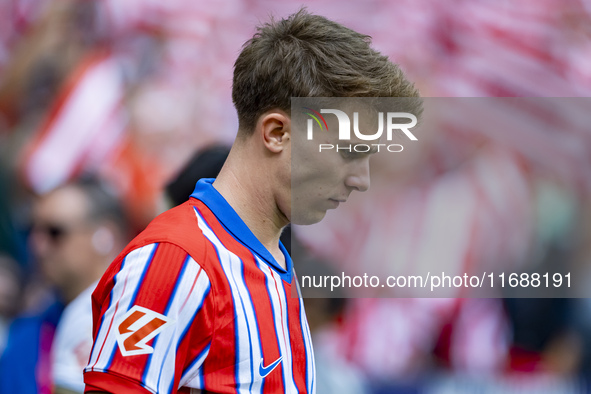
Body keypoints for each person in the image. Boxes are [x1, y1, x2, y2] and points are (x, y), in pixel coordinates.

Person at [84, 8, 420, 394]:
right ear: (277, 133)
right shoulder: (176, 260)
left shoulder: (273, 264)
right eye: (348, 152)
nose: (361, 179)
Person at [0, 177, 128, 394]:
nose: (37, 245)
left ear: (105, 236)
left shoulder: (140, 317)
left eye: (54, 232)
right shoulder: (25, 336)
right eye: (30, 231)